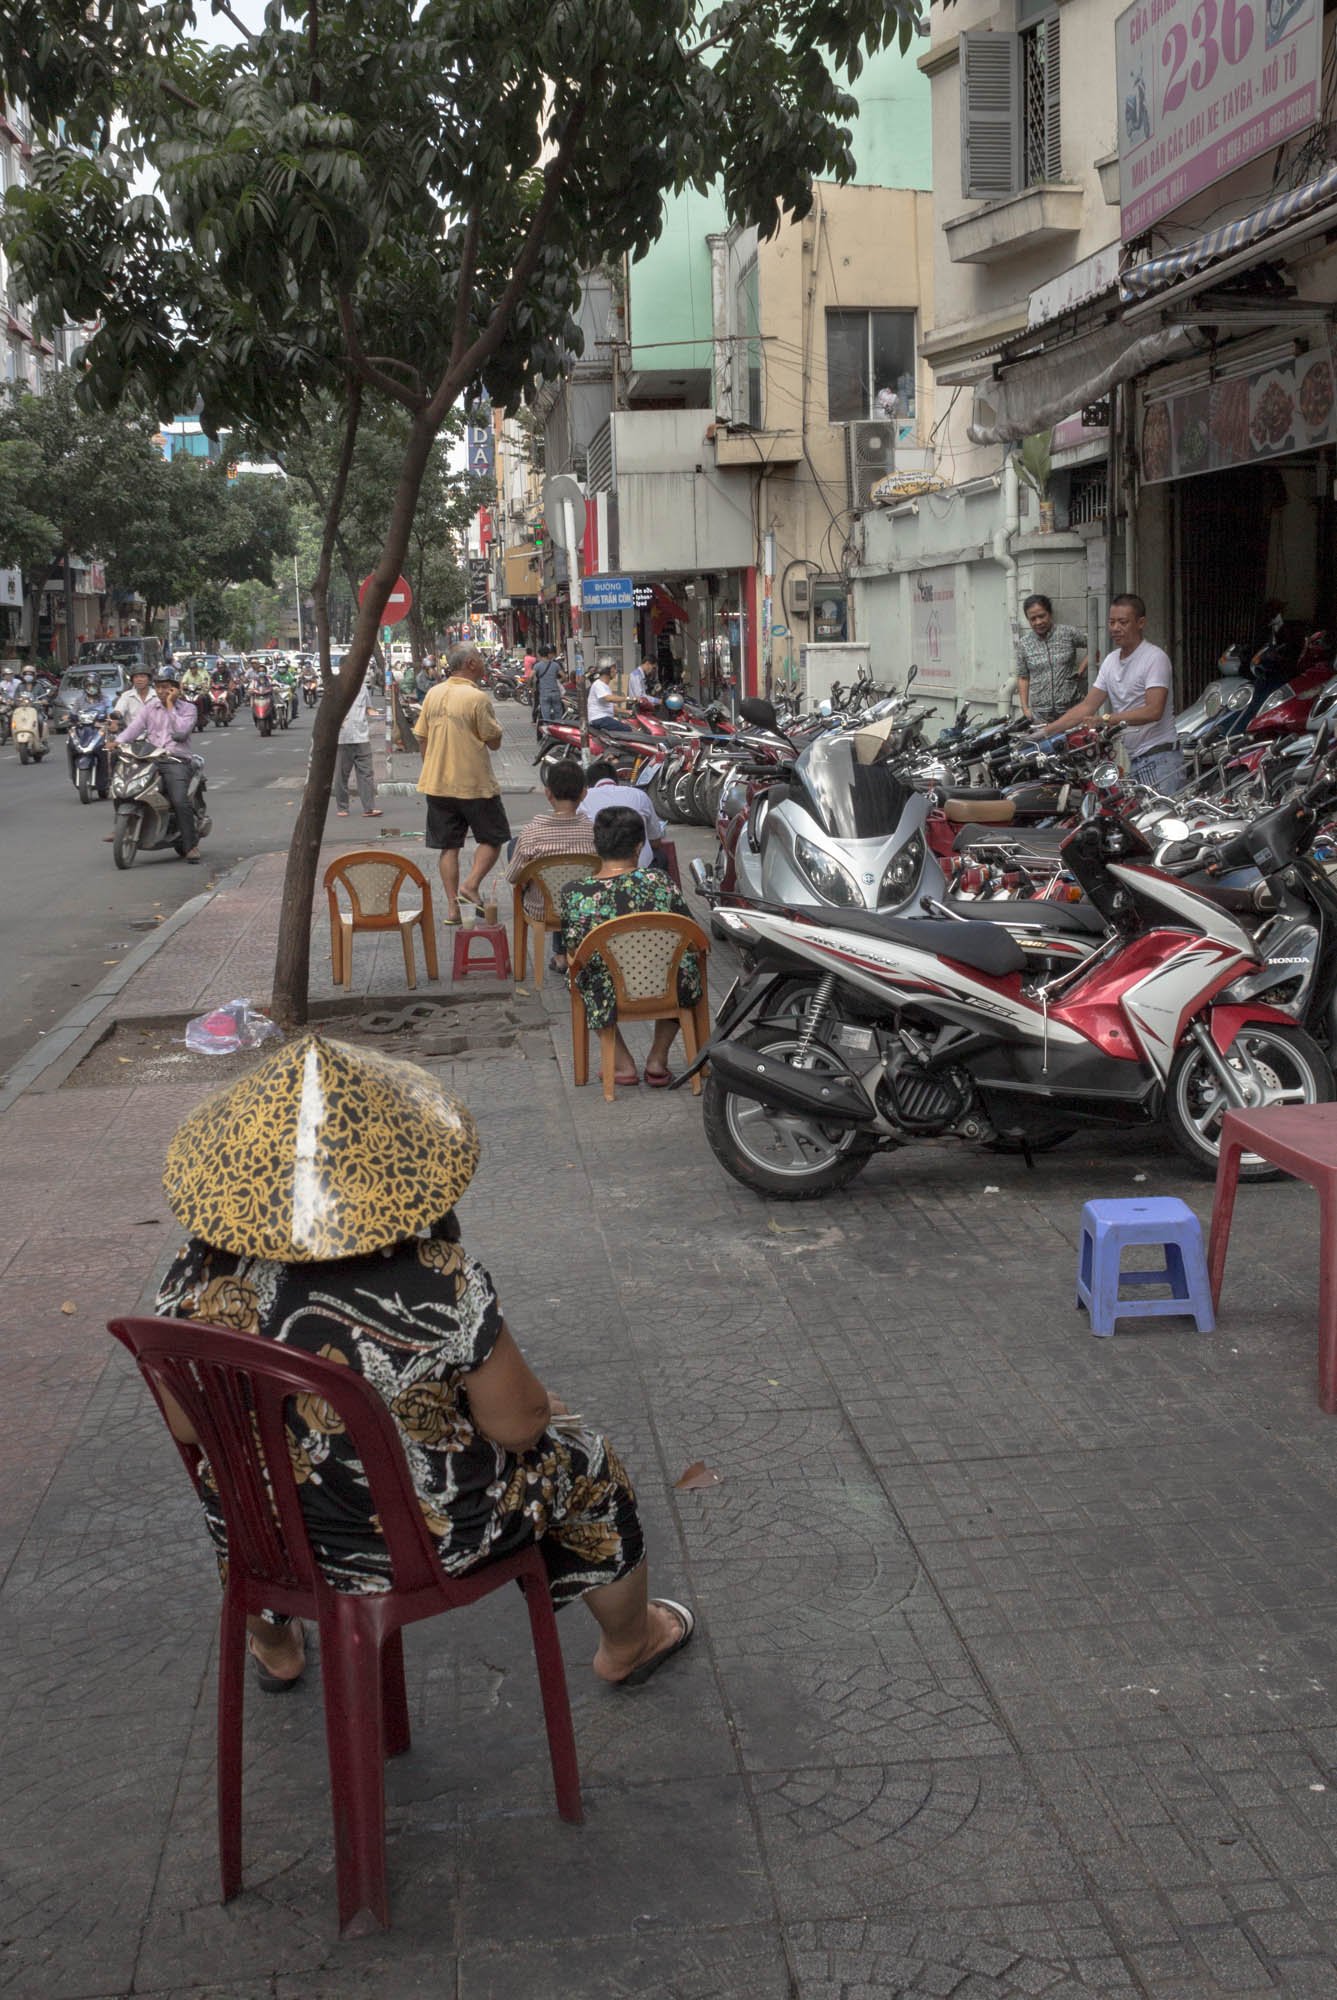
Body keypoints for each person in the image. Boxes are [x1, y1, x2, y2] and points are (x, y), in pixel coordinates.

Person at [154, 1034, 694, 1692]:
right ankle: (630, 1644)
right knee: (586, 1464)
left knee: (247, 1488)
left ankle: (274, 1645)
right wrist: (527, 1409)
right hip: (429, 1539)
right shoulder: (439, 1278)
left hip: (265, 1535)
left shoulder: (197, 1274)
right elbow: (517, 1427)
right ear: (395, 1170)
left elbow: (188, 1424)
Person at [561, 806, 702, 1087]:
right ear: (639, 847)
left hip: (609, 990)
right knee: (686, 966)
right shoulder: (661, 881)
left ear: (596, 845)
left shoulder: (575, 892)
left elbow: (574, 948)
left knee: (578, 975)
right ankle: (657, 1059)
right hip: (667, 984)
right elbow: (693, 937)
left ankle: (623, 1063)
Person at [1042, 593, 1184, 793]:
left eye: (1123, 622)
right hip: (1136, 758)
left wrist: (1106, 719)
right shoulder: (1110, 661)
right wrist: (1045, 733)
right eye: (1111, 622)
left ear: (1141, 623)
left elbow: (1153, 710)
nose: (1115, 628)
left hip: (1161, 758)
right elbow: (1087, 706)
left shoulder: (1154, 658)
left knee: (1159, 814)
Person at [414, 642, 510, 925]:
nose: (483, 662)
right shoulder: (476, 697)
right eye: (479, 657)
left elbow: (422, 738)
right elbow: (493, 742)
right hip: (474, 783)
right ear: (470, 663)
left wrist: (432, 767)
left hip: (437, 784)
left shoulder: (433, 694)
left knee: (449, 847)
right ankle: (470, 885)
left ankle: (453, 908)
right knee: (493, 838)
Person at [505, 760, 598, 973]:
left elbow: (511, 877)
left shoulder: (531, 833)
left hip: (541, 908)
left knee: (515, 846)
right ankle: (566, 952)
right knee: (568, 883)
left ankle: (559, 955)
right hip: (583, 908)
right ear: (584, 793)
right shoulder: (594, 832)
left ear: (548, 793)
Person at [114, 666, 202, 861]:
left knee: (179, 800)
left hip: (176, 760)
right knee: (123, 784)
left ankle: (190, 845)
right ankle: (122, 826)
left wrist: (170, 705)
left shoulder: (189, 709)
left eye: (166, 688)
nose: (162, 691)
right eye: (159, 687)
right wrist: (117, 742)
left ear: (176, 689)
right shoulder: (150, 708)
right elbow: (134, 728)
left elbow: (180, 732)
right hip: (150, 758)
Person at [1015, 594, 1088, 724]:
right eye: (1033, 619)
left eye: (1041, 616)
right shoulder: (1024, 644)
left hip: (1071, 711)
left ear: (1050, 613)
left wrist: (1082, 668)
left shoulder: (1067, 633)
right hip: (1040, 716)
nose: (1038, 622)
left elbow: (1096, 643)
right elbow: (1023, 677)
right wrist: (1025, 709)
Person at [578, 757, 664, 867]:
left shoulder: (583, 798)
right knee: (661, 857)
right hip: (641, 868)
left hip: (599, 868)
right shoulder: (639, 795)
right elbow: (655, 840)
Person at [331, 663, 381, 819]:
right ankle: (342, 807)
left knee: (366, 773)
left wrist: (376, 714)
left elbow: (368, 708)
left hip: (361, 736)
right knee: (341, 775)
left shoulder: (362, 687)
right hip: (342, 738)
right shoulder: (335, 688)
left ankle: (369, 807)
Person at [586, 661, 631, 734]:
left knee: (627, 724)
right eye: (613, 670)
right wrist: (628, 698)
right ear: (606, 672)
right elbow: (609, 698)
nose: (615, 671)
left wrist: (627, 712)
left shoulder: (605, 687)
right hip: (599, 718)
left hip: (604, 718)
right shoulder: (598, 684)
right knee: (627, 729)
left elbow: (612, 708)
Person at [533, 647, 566, 724]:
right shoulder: (555, 665)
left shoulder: (537, 666)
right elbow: (564, 677)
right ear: (548, 654)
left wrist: (530, 686)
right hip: (555, 692)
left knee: (546, 714)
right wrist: (558, 681)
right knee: (558, 713)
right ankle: (558, 727)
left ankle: (547, 728)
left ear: (539, 655)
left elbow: (531, 677)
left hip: (544, 693)